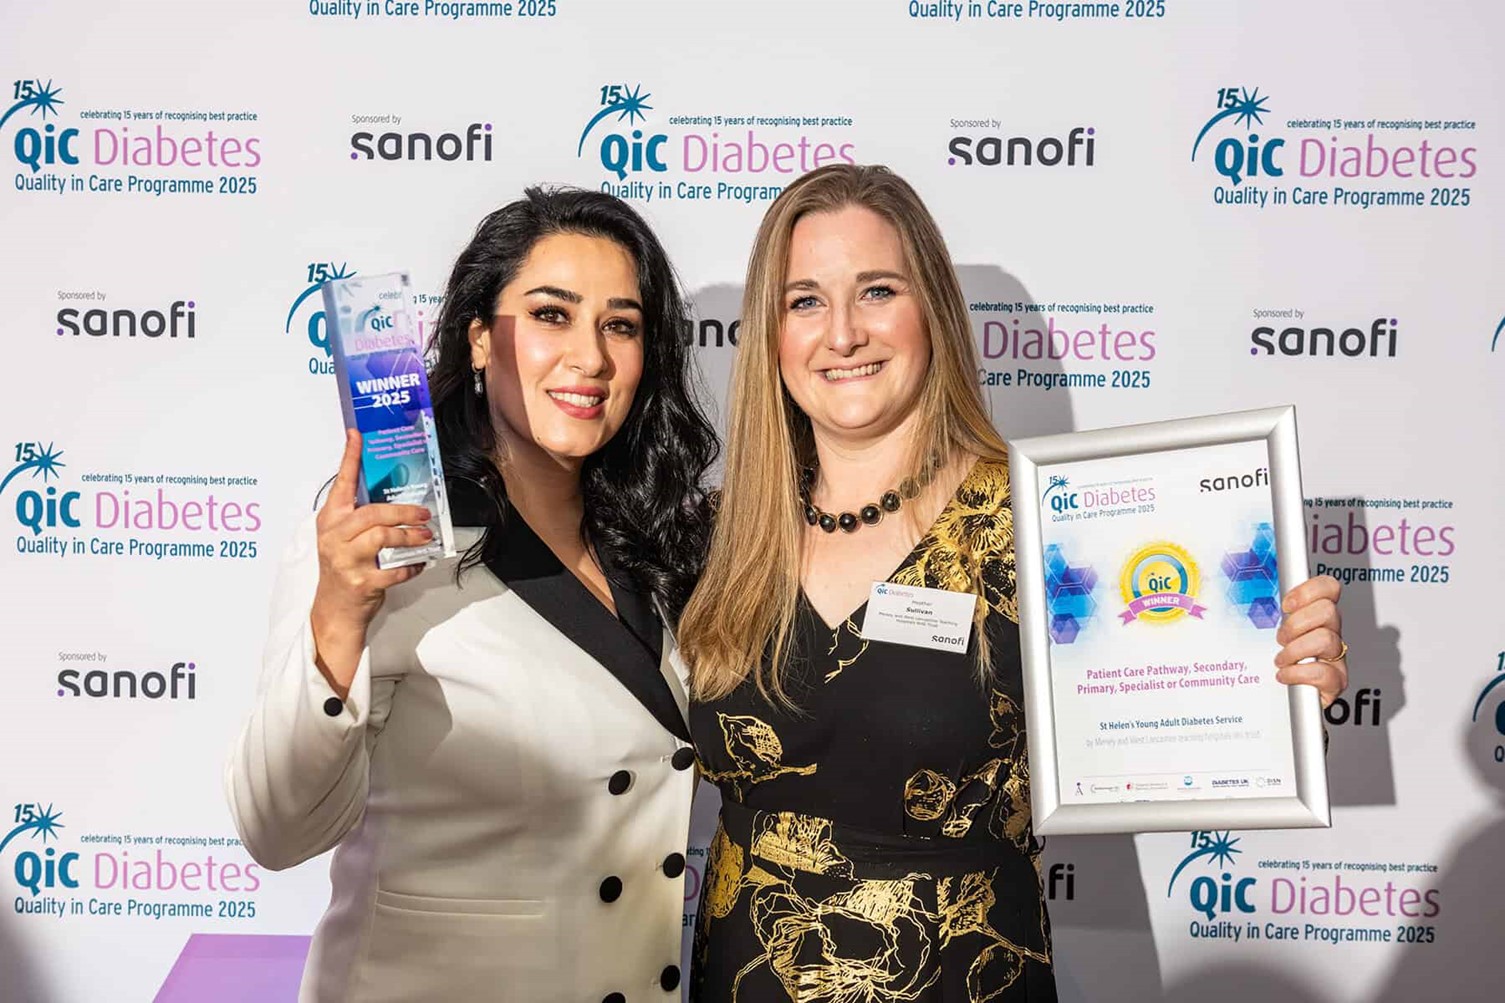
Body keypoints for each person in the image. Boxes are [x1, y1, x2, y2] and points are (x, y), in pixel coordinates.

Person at [677, 164, 1349, 1002]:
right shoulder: (718, 535)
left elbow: (1205, 735)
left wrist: (1282, 689)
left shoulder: (1044, 524)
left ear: (934, 313)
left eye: (877, 290)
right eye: (803, 300)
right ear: (768, 332)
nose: (841, 333)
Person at [226, 188, 717, 1002]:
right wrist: (339, 617)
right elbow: (276, 828)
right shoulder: (386, 535)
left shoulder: (656, 542)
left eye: (620, 324)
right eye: (551, 314)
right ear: (481, 338)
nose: (589, 357)